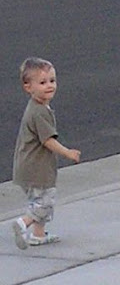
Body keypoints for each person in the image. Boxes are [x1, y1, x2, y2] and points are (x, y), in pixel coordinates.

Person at [12, 57, 81, 250]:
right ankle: (23, 223)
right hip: (36, 169)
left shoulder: (37, 107)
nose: (49, 86)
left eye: (52, 80)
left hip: (27, 167)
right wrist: (67, 153)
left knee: (39, 200)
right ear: (28, 87)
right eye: (42, 82)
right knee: (45, 203)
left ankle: (38, 235)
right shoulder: (40, 112)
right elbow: (48, 140)